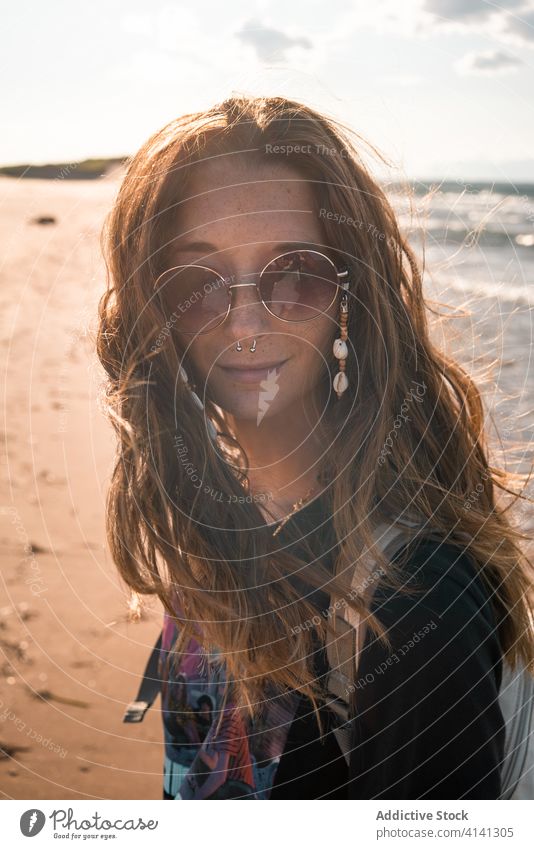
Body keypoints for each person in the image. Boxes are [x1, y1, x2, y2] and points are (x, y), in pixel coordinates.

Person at [96, 94, 534, 799]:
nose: (244, 321)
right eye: (199, 282)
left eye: (293, 273)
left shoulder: (413, 608)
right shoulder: (229, 522)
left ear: (348, 295)